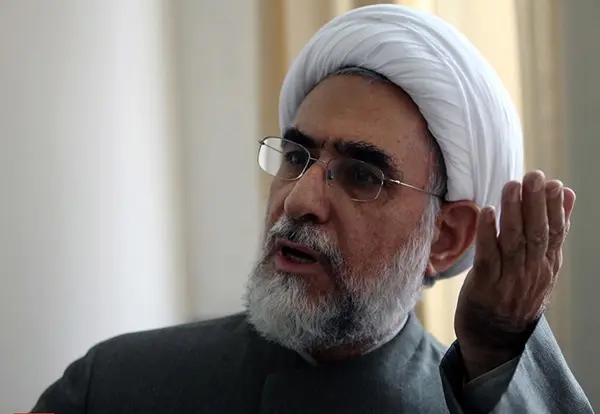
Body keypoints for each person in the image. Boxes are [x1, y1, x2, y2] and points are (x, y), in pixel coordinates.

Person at [32, 4, 593, 413]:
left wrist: (498, 344)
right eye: (295, 157)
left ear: (445, 237)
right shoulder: (115, 385)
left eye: (362, 175)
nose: (299, 199)